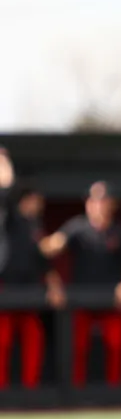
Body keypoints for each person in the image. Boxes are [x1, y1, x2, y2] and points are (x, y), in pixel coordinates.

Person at [40, 182, 121, 387]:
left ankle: (114, 393)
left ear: (112, 204)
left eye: (103, 201)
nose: (97, 205)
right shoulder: (76, 227)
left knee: (115, 345)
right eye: (93, 200)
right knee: (77, 347)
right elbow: (50, 250)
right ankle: (75, 394)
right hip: (81, 300)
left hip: (111, 302)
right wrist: (53, 283)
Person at [0, 148, 65, 389]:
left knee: (34, 337)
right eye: (36, 200)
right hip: (5, 292)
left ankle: (31, 393)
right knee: (2, 340)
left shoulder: (35, 226)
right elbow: (5, 190)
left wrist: (54, 285)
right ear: (26, 200)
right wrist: (4, 162)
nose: (40, 204)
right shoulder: (9, 217)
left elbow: (43, 261)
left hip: (29, 294)